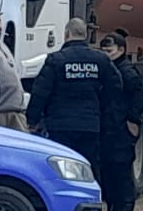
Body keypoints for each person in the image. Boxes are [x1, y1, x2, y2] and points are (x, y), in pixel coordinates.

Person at [26, 17, 122, 178]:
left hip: (60, 125)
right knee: (89, 165)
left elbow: (40, 92)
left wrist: (32, 120)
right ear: (85, 35)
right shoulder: (100, 59)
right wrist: (102, 110)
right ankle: (91, 200)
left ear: (66, 34)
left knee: (62, 167)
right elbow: (116, 87)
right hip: (90, 124)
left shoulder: (56, 60)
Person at [97, 27, 143, 211]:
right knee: (109, 173)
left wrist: (132, 120)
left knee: (122, 174)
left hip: (121, 130)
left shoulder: (126, 71)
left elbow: (140, 95)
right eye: (104, 51)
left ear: (121, 50)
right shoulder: (110, 70)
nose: (107, 54)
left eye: (110, 51)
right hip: (109, 129)